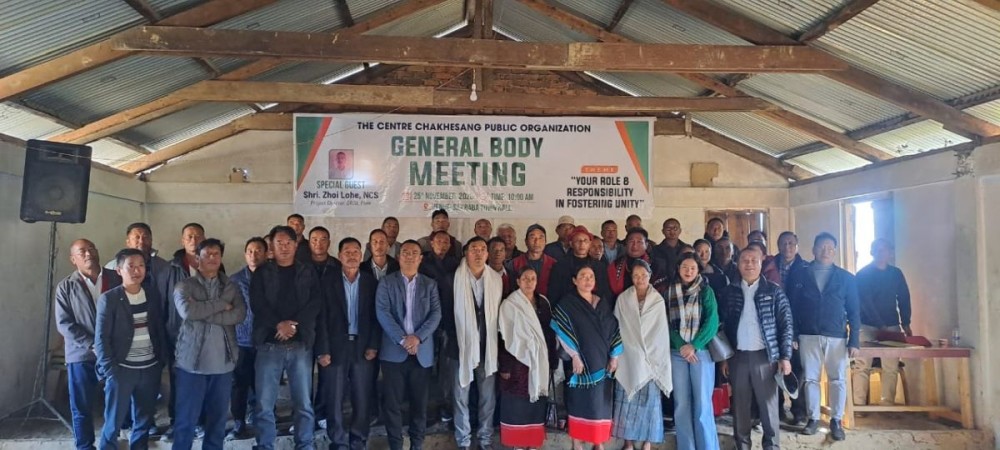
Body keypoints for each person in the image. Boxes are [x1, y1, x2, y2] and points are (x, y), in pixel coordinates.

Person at [250, 225, 324, 450]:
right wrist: (278, 324)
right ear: (271, 245)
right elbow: (257, 304)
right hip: (269, 346)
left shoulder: (307, 271)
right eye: (279, 243)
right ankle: (265, 446)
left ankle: (305, 445)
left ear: (296, 245)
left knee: (303, 403)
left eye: (288, 243)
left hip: (300, 345)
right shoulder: (262, 272)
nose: (284, 247)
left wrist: (293, 324)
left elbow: (315, 301)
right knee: (264, 405)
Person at [172, 239, 246, 450]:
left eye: (216, 254)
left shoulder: (231, 286)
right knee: (186, 420)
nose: (212, 258)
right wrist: (222, 305)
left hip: (222, 365)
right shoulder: (184, 285)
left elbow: (239, 314)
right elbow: (188, 312)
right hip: (191, 365)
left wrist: (205, 312)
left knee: (217, 421)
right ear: (197, 259)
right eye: (207, 254)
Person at [786, 232, 860, 441]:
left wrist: (854, 339)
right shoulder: (800, 275)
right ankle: (813, 419)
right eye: (821, 247)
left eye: (830, 248)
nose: (825, 251)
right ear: (813, 249)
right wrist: (793, 334)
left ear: (835, 251)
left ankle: (836, 420)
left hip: (837, 336)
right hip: (807, 335)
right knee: (810, 379)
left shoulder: (846, 278)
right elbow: (791, 306)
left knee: (838, 380)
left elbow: (854, 311)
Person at [719, 245, 793, 450]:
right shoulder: (729, 291)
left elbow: (786, 325)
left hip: (766, 358)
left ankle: (772, 446)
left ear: (761, 263)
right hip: (737, 357)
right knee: (740, 407)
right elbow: (722, 326)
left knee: (768, 407)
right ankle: (742, 445)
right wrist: (724, 358)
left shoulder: (774, 291)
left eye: (754, 260)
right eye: (745, 260)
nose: (749, 264)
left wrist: (785, 357)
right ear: (738, 264)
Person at [96, 248, 169, 449]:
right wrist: (111, 370)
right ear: (119, 270)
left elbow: (159, 328)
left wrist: (160, 360)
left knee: (143, 421)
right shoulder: (109, 299)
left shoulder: (152, 295)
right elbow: (101, 338)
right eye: (131, 266)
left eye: (141, 266)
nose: (137, 271)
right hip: (122, 370)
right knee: (113, 423)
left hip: (149, 368)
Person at [315, 238, 382, 450]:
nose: (352, 255)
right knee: (333, 398)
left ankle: (358, 440)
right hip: (334, 348)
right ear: (340, 255)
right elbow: (321, 318)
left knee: (362, 397)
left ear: (361, 255)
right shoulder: (327, 281)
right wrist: (322, 350)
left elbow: (376, 317)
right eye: (347, 252)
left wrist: (373, 345)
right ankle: (338, 441)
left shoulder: (371, 282)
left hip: (363, 348)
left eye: (356, 251)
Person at [376, 240, 442, 450]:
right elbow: (383, 313)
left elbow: (436, 314)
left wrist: (417, 338)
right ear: (398, 257)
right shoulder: (386, 283)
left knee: (419, 405)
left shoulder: (429, 284)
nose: (410, 256)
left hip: (421, 353)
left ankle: (417, 444)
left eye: (415, 253)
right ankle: (396, 445)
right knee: (392, 405)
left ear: (421, 258)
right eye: (405, 252)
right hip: (394, 352)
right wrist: (404, 339)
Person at [56, 239, 122, 450]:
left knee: (116, 403)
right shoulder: (65, 286)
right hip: (81, 355)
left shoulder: (116, 278)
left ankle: (110, 441)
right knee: (81, 405)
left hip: (114, 352)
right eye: (82, 251)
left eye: (92, 248)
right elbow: (64, 324)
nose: (88, 254)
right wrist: (92, 344)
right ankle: (85, 445)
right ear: (72, 259)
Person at [551, 264, 622, 450]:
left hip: (602, 362)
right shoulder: (567, 304)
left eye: (590, 276)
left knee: (600, 404)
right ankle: (577, 442)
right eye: (583, 276)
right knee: (578, 403)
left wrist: (614, 356)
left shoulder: (602, 303)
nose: (587, 280)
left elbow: (614, 329)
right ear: (574, 280)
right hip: (579, 364)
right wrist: (574, 356)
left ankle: (598, 442)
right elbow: (561, 331)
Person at [612, 260, 673, 450]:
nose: (640, 279)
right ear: (631, 277)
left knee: (650, 402)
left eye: (643, 275)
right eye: (636, 276)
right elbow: (619, 327)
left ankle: (647, 441)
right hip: (628, 355)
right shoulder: (623, 299)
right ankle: (628, 442)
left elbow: (660, 332)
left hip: (652, 357)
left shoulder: (657, 300)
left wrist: (647, 353)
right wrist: (632, 350)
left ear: (650, 276)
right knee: (626, 401)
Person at [155, 222, 206, 441]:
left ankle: (201, 421)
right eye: (189, 236)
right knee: (179, 381)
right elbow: (162, 305)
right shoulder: (170, 269)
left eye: (197, 236)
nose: (194, 240)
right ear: (182, 241)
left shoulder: (213, 264)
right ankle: (177, 422)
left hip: (205, 335)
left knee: (203, 379)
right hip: (178, 336)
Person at [498, 267, 558, 450]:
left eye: (533, 278)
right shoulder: (509, 304)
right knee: (517, 403)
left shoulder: (543, 302)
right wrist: (505, 366)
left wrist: (552, 359)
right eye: (525, 278)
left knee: (536, 401)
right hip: (517, 362)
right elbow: (503, 336)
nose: (529, 282)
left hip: (539, 362)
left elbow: (549, 333)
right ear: (518, 281)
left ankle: (532, 443)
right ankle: (517, 444)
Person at [452, 237, 503, 450]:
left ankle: (485, 439)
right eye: (474, 249)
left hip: (488, 348)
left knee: (487, 398)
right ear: (466, 252)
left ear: (488, 254)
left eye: (483, 249)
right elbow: (447, 314)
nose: (479, 253)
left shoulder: (496, 279)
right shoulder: (452, 279)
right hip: (460, 348)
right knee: (460, 398)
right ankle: (463, 441)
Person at [667, 255, 720, 450]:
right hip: (677, 353)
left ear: (698, 270)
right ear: (678, 268)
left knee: (702, 405)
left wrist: (694, 345)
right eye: (684, 266)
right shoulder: (670, 292)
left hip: (701, 353)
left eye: (692, 267)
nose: (688, 271)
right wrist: (682, 345)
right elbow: (666, 322)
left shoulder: (706, 291)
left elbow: (712, 322)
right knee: (681, 405)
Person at [853, 238, 912, 406]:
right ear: (872, 252)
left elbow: (904, 298)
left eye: (884, 249)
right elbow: (865, 302)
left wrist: (906, 322)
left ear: (890, 253)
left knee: (891, 366)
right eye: (877, 249)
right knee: (862, 365)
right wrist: (880, 325)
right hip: (867, 325)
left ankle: (888, 404)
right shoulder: (863, 274)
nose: (881, 252)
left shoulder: (896, 274)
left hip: (892, 324)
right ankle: (858, 405)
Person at [418, 229, 461, 423]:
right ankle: (422, 406)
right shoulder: (423, 263)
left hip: (449, 321)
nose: (442, 245)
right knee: (424, 366)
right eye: (438, 241)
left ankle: (444, 405)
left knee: (445, 368)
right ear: (431, 243)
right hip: (425, 322)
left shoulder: (456, 264)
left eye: (446, 242)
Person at [227, 237, 267, 440]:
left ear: (266, 254)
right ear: (245, 254)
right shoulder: (234, 280)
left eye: (258, 250)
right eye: (250, 251)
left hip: (266, 340)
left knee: (264, 383)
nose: (254, 254)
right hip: (241, 340)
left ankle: (263, 419)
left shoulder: (272, 277)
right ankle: (239, 421)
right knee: (239, 384)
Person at [309, 226, 342, 427]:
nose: (319, 243)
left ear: (329, 243)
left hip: (329, 328)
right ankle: (304, 416)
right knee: (303, 377)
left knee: (326, 375)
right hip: (304, 327)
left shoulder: (337, 266)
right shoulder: (300, 265)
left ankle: (321, 412)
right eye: (314, 239)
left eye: (323, 239)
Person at [548, 226, 613, 307]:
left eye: (585, 241)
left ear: (590, 243)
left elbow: (606, 294)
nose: (582, 244)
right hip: (569, 309)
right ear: (571, 244)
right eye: (578, 241)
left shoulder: (599, 266)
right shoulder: (560, 266)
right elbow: (554, 295)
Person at [607, 228, 667, 297]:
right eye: (631, 241)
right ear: (626, 244)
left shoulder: (657, 265)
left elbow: (660, 292)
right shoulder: (615, 265)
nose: (635, 246)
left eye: (639, 242)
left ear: (646, 245)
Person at [509, 224, 557, 298]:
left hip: (547, 305)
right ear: (526, 241)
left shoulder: (554, 264)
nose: (537, 241)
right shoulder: (514, 263)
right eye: (532, 237)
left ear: (545, 242)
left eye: (541, 237)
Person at [104, 223, 169, 276]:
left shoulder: (163, 266)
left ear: (151, 240)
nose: (141, 241)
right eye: (137, 237)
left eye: (145, 237)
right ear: (128, 242)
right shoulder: (112, 267)